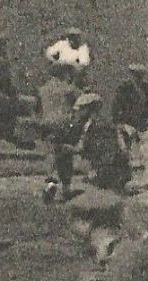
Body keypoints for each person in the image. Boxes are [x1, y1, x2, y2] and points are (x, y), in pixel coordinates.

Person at [38, 63, 82, 203]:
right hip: (64, 124)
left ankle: (50, 181)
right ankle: (66, 188)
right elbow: (80, 100)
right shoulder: (68, 88)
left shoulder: (43, 89)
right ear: (64, 74)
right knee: (66, 155)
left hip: (47, 123)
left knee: (51, 152)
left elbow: (37, 108)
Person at [74, 93, 131, 195]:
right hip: (108, 168)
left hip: (108, 170)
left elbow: (107, 152)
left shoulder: (97, 126)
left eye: (82, 109)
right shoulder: (99, 124)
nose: (78, 112)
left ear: (90, 109)